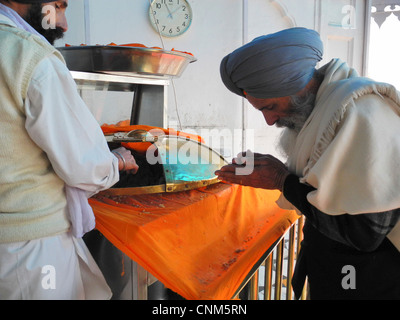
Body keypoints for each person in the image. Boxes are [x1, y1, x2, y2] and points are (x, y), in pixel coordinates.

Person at [217, 27, 400, 299]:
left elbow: (366, 233)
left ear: (298, 87)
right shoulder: (326, 110)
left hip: (372, 283)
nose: (270, 121)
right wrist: (280, 175)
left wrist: (281, 180)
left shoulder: (363, 114)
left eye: (270, 107)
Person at [0, 0, 139, 299]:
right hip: (28, 247)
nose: (63, 24)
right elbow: (83, 166)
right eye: (58, 7)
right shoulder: (29, 56)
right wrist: (116, 162)